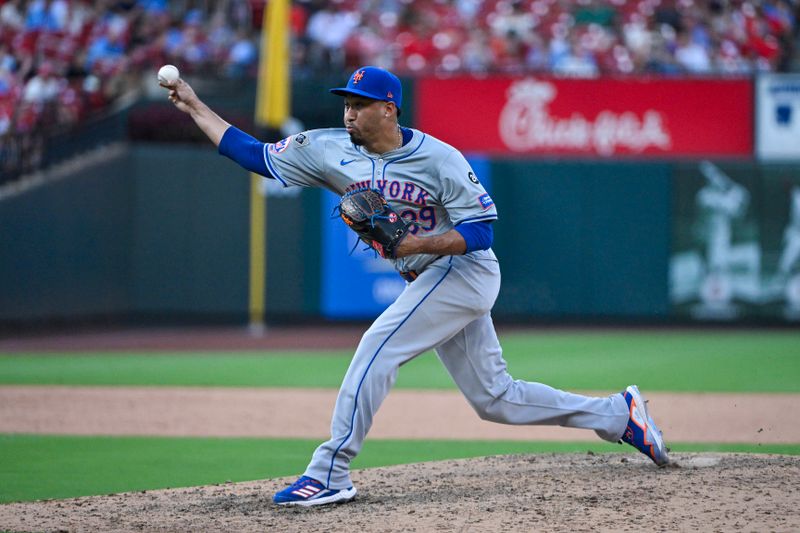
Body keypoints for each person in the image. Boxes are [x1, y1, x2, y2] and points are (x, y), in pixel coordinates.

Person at [163, 65, 670, 507]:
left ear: (389, 109)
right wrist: (194, 105)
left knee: (377, 347)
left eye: (359, 105)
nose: (348, 113)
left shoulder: (440, 158)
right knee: (495, 399)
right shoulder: (326, 148)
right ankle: (618, 414)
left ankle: (329, 473)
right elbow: (253, 154)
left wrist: (412, 243)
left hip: (465, 272)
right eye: (346, 103)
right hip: (428, 274)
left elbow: (481, 230)